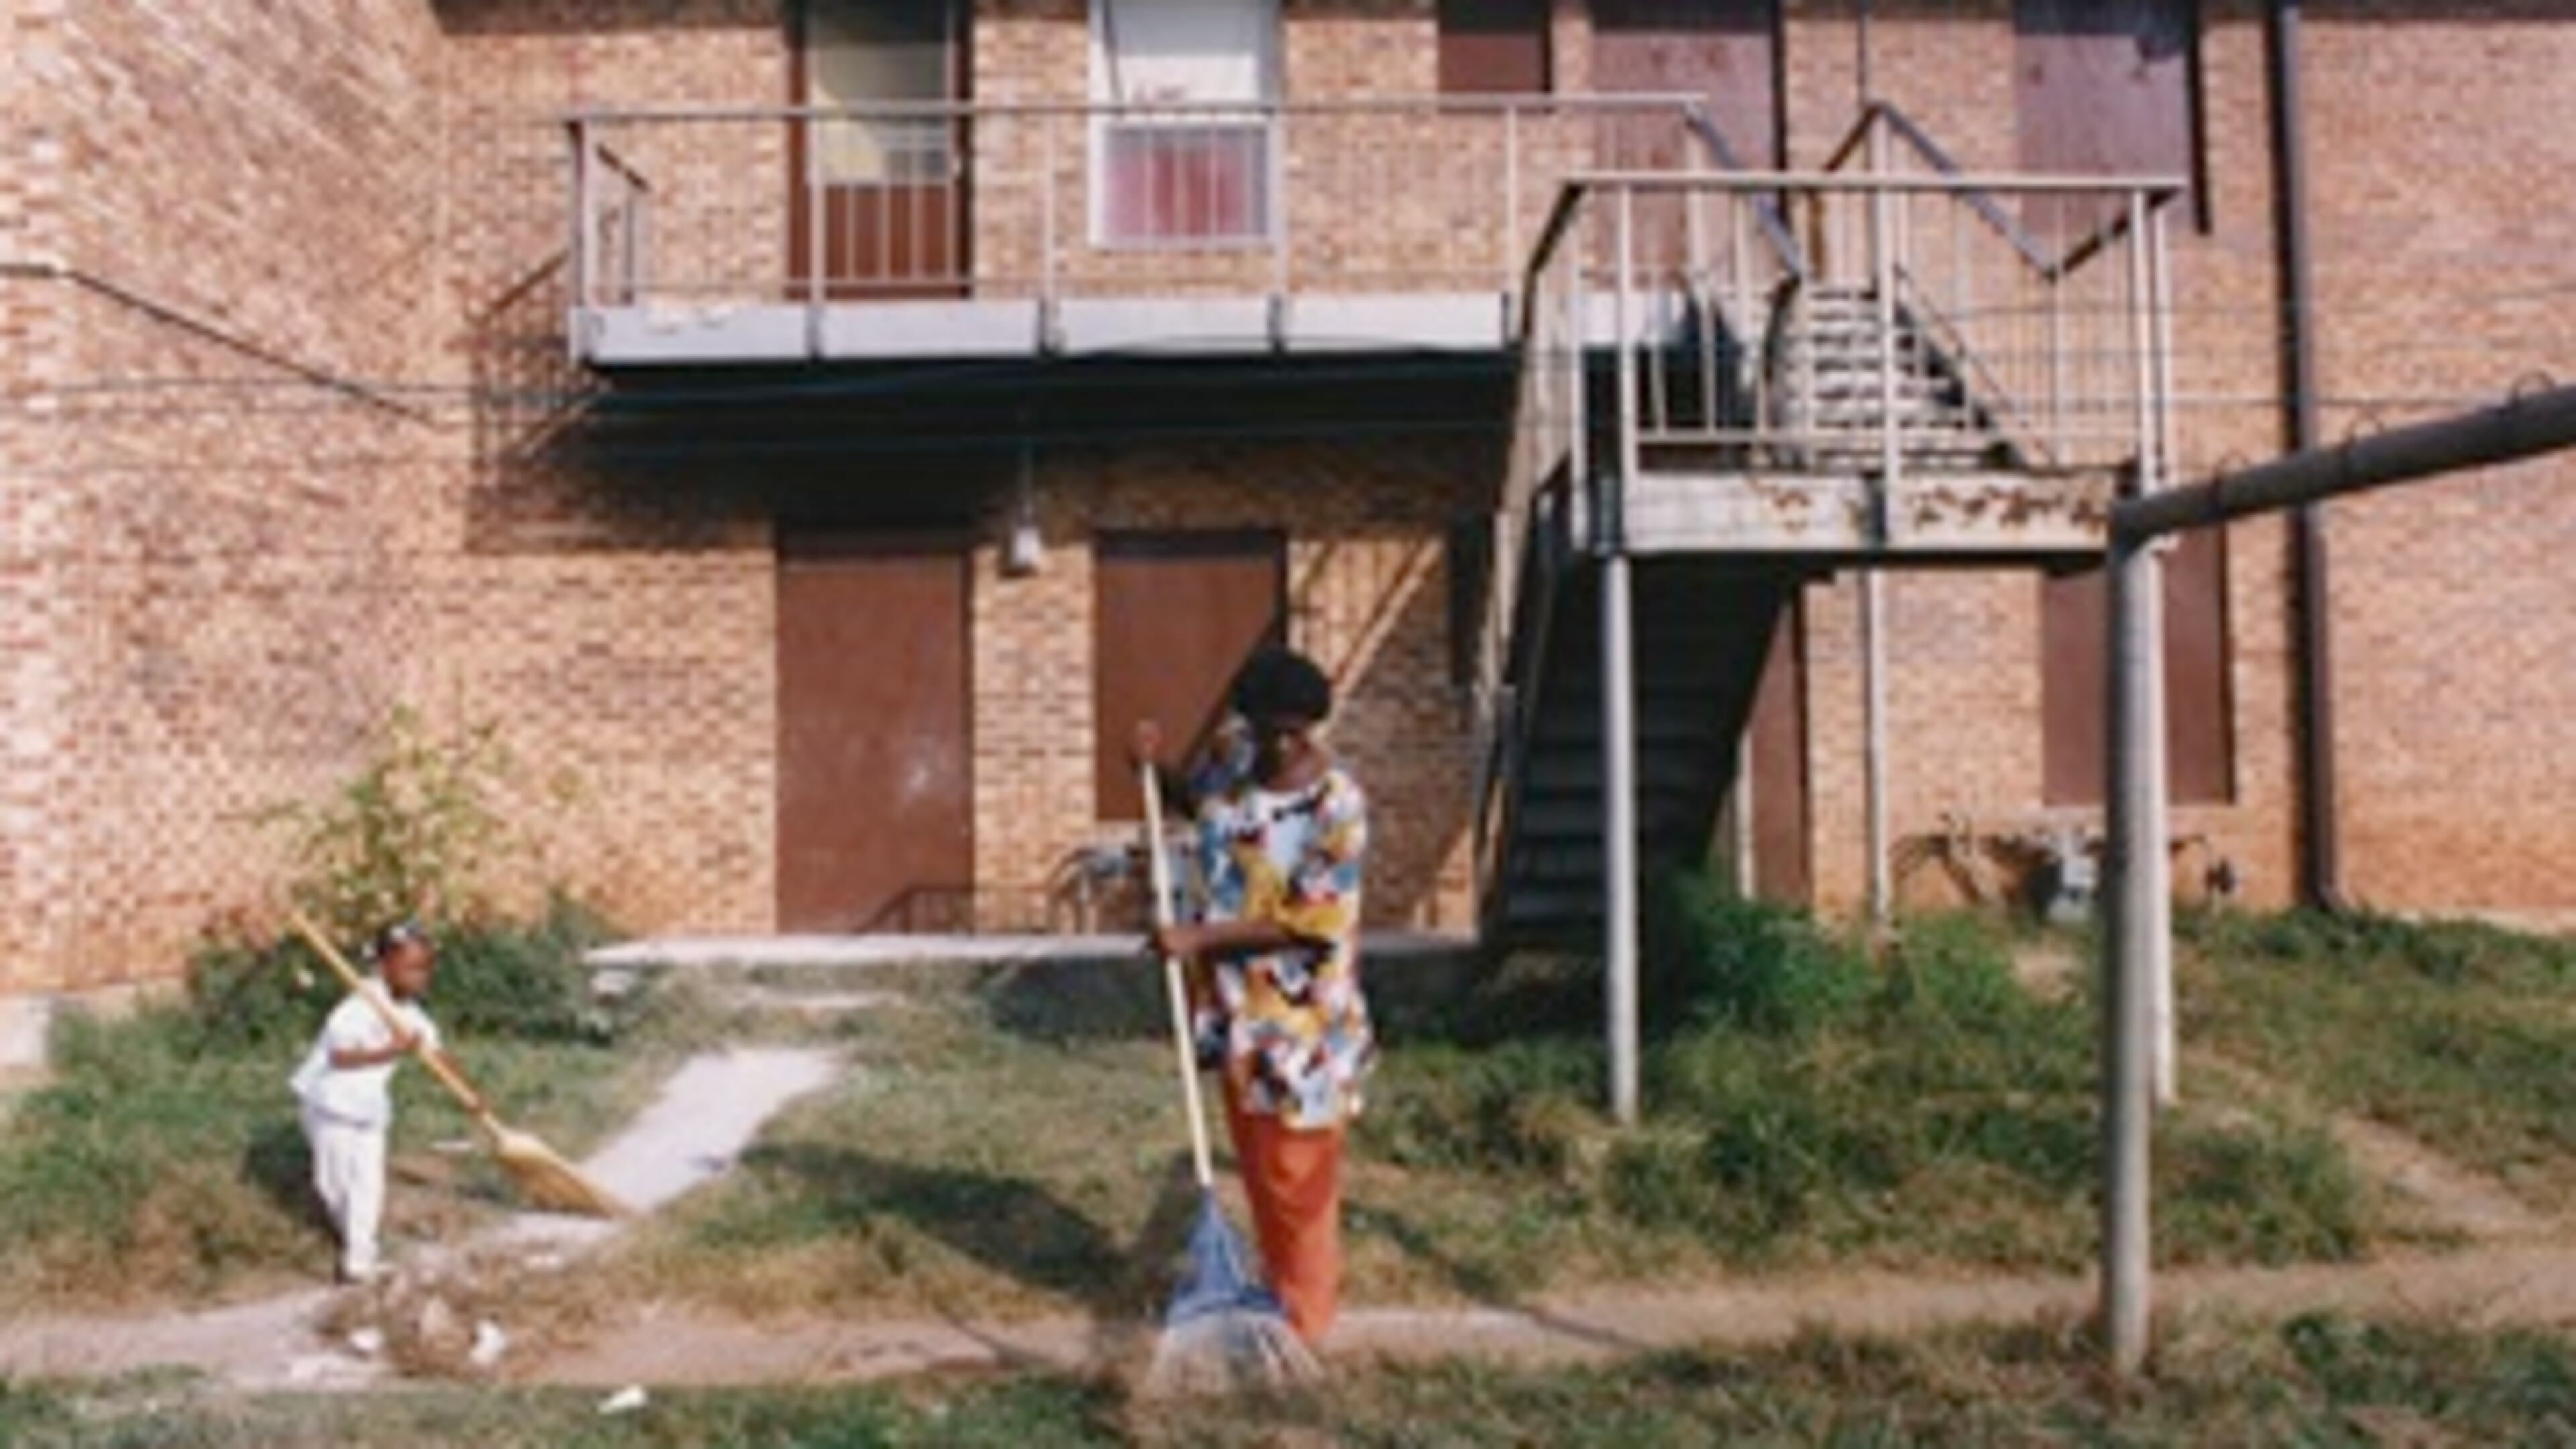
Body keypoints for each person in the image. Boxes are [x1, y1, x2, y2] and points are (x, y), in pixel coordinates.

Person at [1136, 647, 1374, 1346]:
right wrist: (1153, 772)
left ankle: (1303, 1332)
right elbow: (1203, 810)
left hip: (1302, 1028)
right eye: (1275, 730)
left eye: (1301, 730)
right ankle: (1278, 1296)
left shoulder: (1339, 806)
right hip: (1233, 1017)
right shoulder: (1234, 759)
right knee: (1263, 1173)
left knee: (1298, 1178)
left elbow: (1313, 922)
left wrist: (1198, 938)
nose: (1288, 745)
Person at [288, 920, 445, 1283]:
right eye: (411, 967)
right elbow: (341, 1057)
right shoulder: (357, 1007)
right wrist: (390, 1050)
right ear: (385, 965)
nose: (420, 976)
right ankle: (356, 1245)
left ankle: (360, 1259)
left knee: (368, 1184)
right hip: (330, 1104)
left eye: (425, 967)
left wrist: (474, 1097)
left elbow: (435, 1053)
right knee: (334, 1183)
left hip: (368, 1109)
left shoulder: (410, 1014)